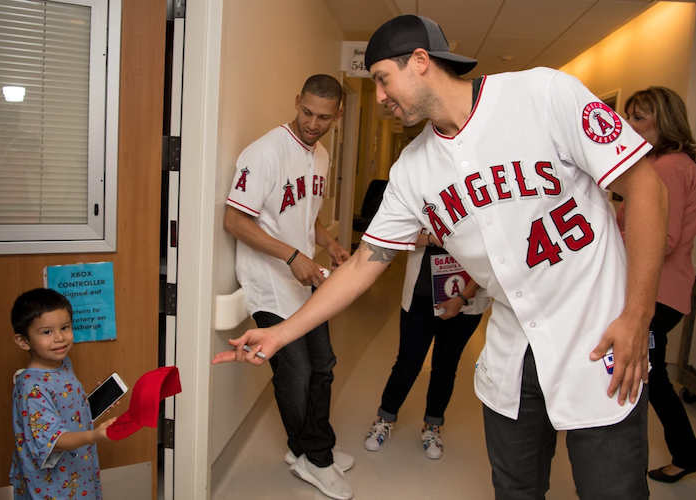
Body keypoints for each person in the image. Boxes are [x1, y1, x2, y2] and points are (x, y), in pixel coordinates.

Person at [214, 15, 669, 500]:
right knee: (515, 488)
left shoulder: (542, 95)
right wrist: (280, 334)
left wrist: (637, 314)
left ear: (420, 62)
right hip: (513, 348)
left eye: (383, 80)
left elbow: (646, 188)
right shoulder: (412, 170)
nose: (381, 97)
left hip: (599, 335)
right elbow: (365, 263)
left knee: (612, 490)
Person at [221, 74, 354, 500]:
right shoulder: (264, 153)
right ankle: (313, 457)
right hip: (270, 284)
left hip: (305, 280)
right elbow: (235, 221)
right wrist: (293, 256)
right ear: (297, 101)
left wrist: (328, 243)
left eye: (324, 117)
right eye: (307, 112)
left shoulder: (322, 155)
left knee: (324, 366)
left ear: (338, 114)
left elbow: (305, 211)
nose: (313, 124)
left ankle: (314, 446)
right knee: (296, 375)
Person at [617, 86, 696, 483]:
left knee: (645, 374)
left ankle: (679, 454)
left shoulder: (667, 168)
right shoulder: (668, 164)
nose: (629, 125)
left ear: (662, 121)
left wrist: (611, 238)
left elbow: (661, 239)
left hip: (659, 292)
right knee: (653, 373)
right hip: (668, 289)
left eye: (638, 117)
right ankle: (686, 452)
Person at [363, 224, 489, 458]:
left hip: (465, 300)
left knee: (446, 365)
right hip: (421, 299)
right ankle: (385, 418)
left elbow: (491, 256)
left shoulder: (480, 202)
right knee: (408, 363)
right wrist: (434, 238)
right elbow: (401, 236)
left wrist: (462, 298)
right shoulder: (422, 196)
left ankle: (432, 426)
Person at [10, 288, 117, 500]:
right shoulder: (33, 387)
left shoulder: (63, 364)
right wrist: (95, 435)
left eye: (65, 327)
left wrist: (88, 403)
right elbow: (52, 439)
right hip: (53, 485)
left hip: (77, 471)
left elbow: (63, 407)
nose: (60, 338)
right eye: (47, 332)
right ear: (23, 341)